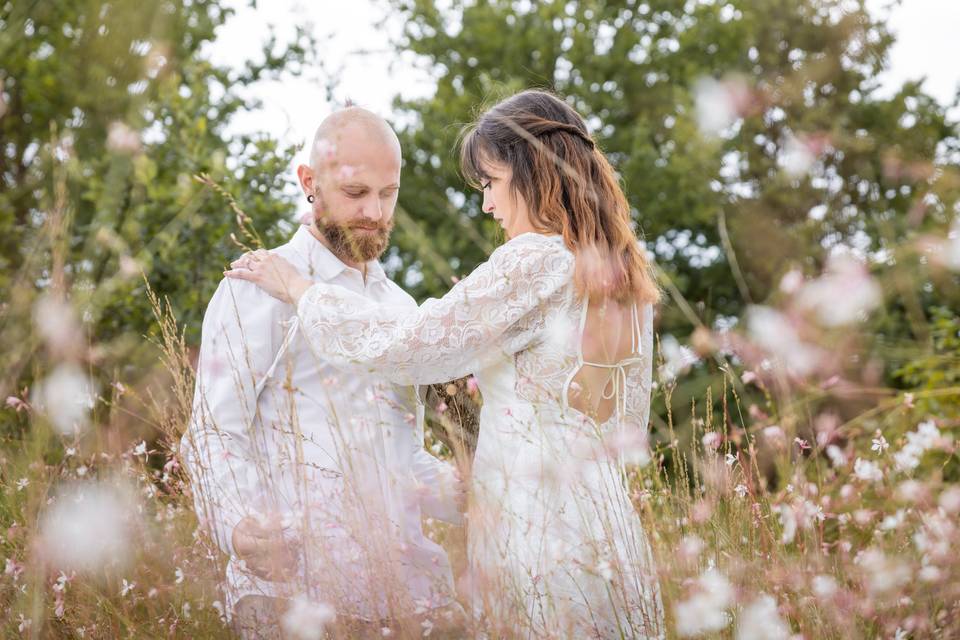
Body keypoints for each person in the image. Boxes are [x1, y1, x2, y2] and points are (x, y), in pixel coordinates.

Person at [227, 89, 665, 638]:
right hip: (607, 528)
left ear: (532, 172)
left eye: (490, 184)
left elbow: (408, 346)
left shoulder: (538, 260)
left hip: (538, 531)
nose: (486, 205)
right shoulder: (622, 281)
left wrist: (299, 287)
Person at [182, 107, 465, 639]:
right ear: (309, 182)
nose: (375, 212)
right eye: (357, 193)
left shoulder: (401, 308)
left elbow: (402, 453)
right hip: (288, 598)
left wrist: (468, 494)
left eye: (389, 193)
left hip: (406, 598)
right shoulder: (253, 287)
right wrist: (240, 527)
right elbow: (213, 433)